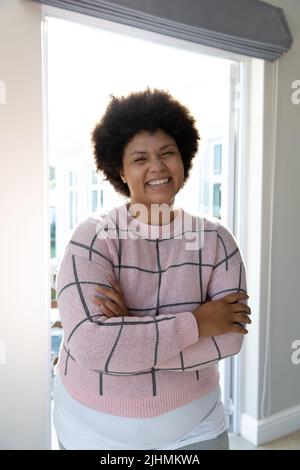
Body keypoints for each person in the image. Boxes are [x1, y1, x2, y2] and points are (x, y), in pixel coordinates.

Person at [53, 88, 251, 450]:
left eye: (167, 153)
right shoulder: (92, 237)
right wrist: (198, 323)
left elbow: (230, 338)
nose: (157, 167)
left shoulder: (217, 239)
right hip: (91, 430)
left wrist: (131, 334)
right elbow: (92, 346)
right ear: (121, 171)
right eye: (140, 158)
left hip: (197, 424)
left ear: (184, 159)